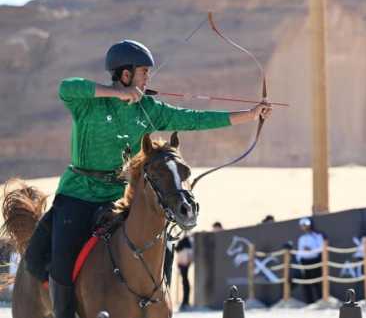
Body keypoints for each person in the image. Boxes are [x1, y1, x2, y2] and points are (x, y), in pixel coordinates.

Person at [23, 40, 272, 318]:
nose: (148, 77)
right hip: (77, 195)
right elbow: (66, 87)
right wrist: (116, 94)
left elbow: (194, 119)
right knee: (63, 260)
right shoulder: (87, 106)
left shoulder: (149, 110)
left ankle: (159, 303)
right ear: (125, 74)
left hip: (116, 197)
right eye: (143, 71)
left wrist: (250, 115)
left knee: (156, 241)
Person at [295, 217, 324, 303]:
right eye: (302, 225)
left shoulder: (317, 236)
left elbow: (322, 249)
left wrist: (311, 250)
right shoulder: (301, 238)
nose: (304, 227)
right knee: (306, 283)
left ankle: (320, 301)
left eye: (305, 225)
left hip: (315, 261)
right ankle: (309, 302)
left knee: (317, 283)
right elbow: (299, 252)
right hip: (304, 263)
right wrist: (299, 261)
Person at [176, 233, 194, 311]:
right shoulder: (185, 242)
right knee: (185, 282)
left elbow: (189, 255)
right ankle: (185, 302)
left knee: (185, 283)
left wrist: (187, 263)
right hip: (183, 265)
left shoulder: (186, 242)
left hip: (184, 265)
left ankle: (185, 302)